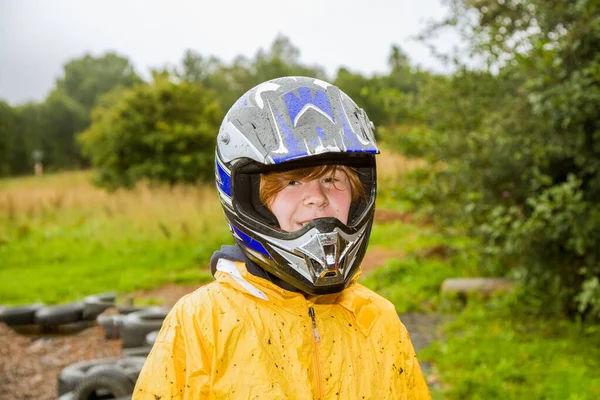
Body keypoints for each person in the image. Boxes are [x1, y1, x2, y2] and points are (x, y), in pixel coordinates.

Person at [133, 76, 431, 399]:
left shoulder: (378, 320)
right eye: (291, 183)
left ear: (359, 195)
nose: (316, 197)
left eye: (332, 179)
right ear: (251, 201)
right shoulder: (200, 324)